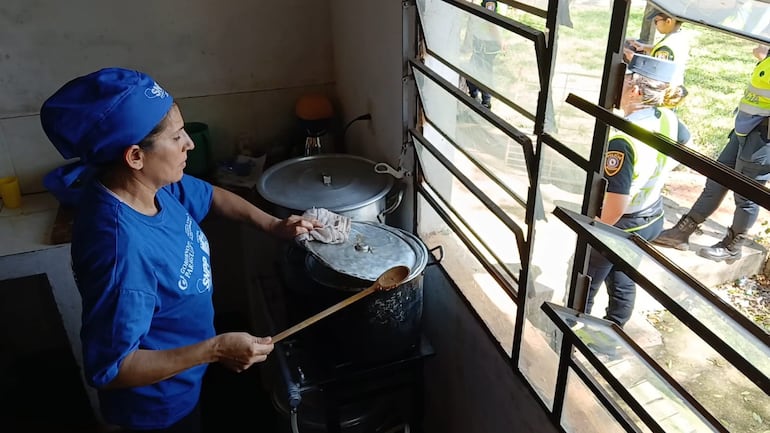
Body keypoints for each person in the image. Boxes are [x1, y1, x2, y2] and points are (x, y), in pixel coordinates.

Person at [39, 68, 322, 432]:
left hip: (187, 373)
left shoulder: (150, 187)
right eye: (176, 137)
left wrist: (273, 226)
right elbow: (111, 369)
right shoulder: (122, 253)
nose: (189, 143)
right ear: (135, 157)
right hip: (158, 406)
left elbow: (212, 195)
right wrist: (216, 349)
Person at [585, 55, 690, 328]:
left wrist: (594, 230)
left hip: (623, 221)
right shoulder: (668, 117)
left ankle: (566, 334)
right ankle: (613, 334)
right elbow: (684, 140)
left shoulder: (623, 138)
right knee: (623, 277)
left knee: (585, 277)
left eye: (621, 81)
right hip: (652, 214)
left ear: (635, 89)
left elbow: (616, 204)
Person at [652, 46, 770, 262]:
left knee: (746, 195)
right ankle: (683, 231)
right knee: (716, 178)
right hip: (746, 128)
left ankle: (733, 247)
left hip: (763, 139)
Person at [624, 11, 690, 88]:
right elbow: (659, 50)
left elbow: (655, 73)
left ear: (668, 21)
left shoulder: (666, 48)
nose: (655, 25)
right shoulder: (679, 36)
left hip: (665, 91)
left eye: (656, 21)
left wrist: (633, 58)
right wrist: (643, 46)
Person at [464, 0, 503, 109]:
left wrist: (500, 41)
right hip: (482, 43)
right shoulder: (488, 3)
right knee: (476, 70)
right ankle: (478, 96)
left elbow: (491, 21)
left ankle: (484, 99)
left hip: (486, 45)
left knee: (482, 72)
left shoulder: (490, 3)